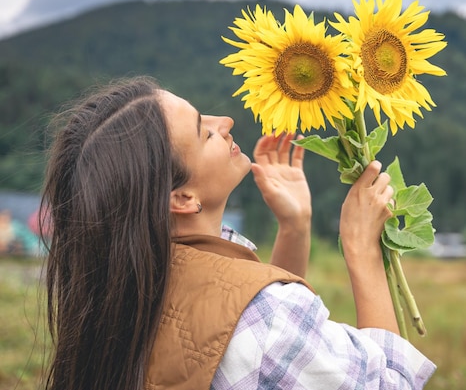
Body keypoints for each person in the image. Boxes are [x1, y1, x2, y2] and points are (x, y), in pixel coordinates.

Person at [41, 76, 435, 390]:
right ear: (181, 196)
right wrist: (362, 250)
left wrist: (294, 227)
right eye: (204, 132)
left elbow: (252, 353)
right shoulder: (266, 317)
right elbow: (389, 383)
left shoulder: (130, 280)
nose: (224, 122)